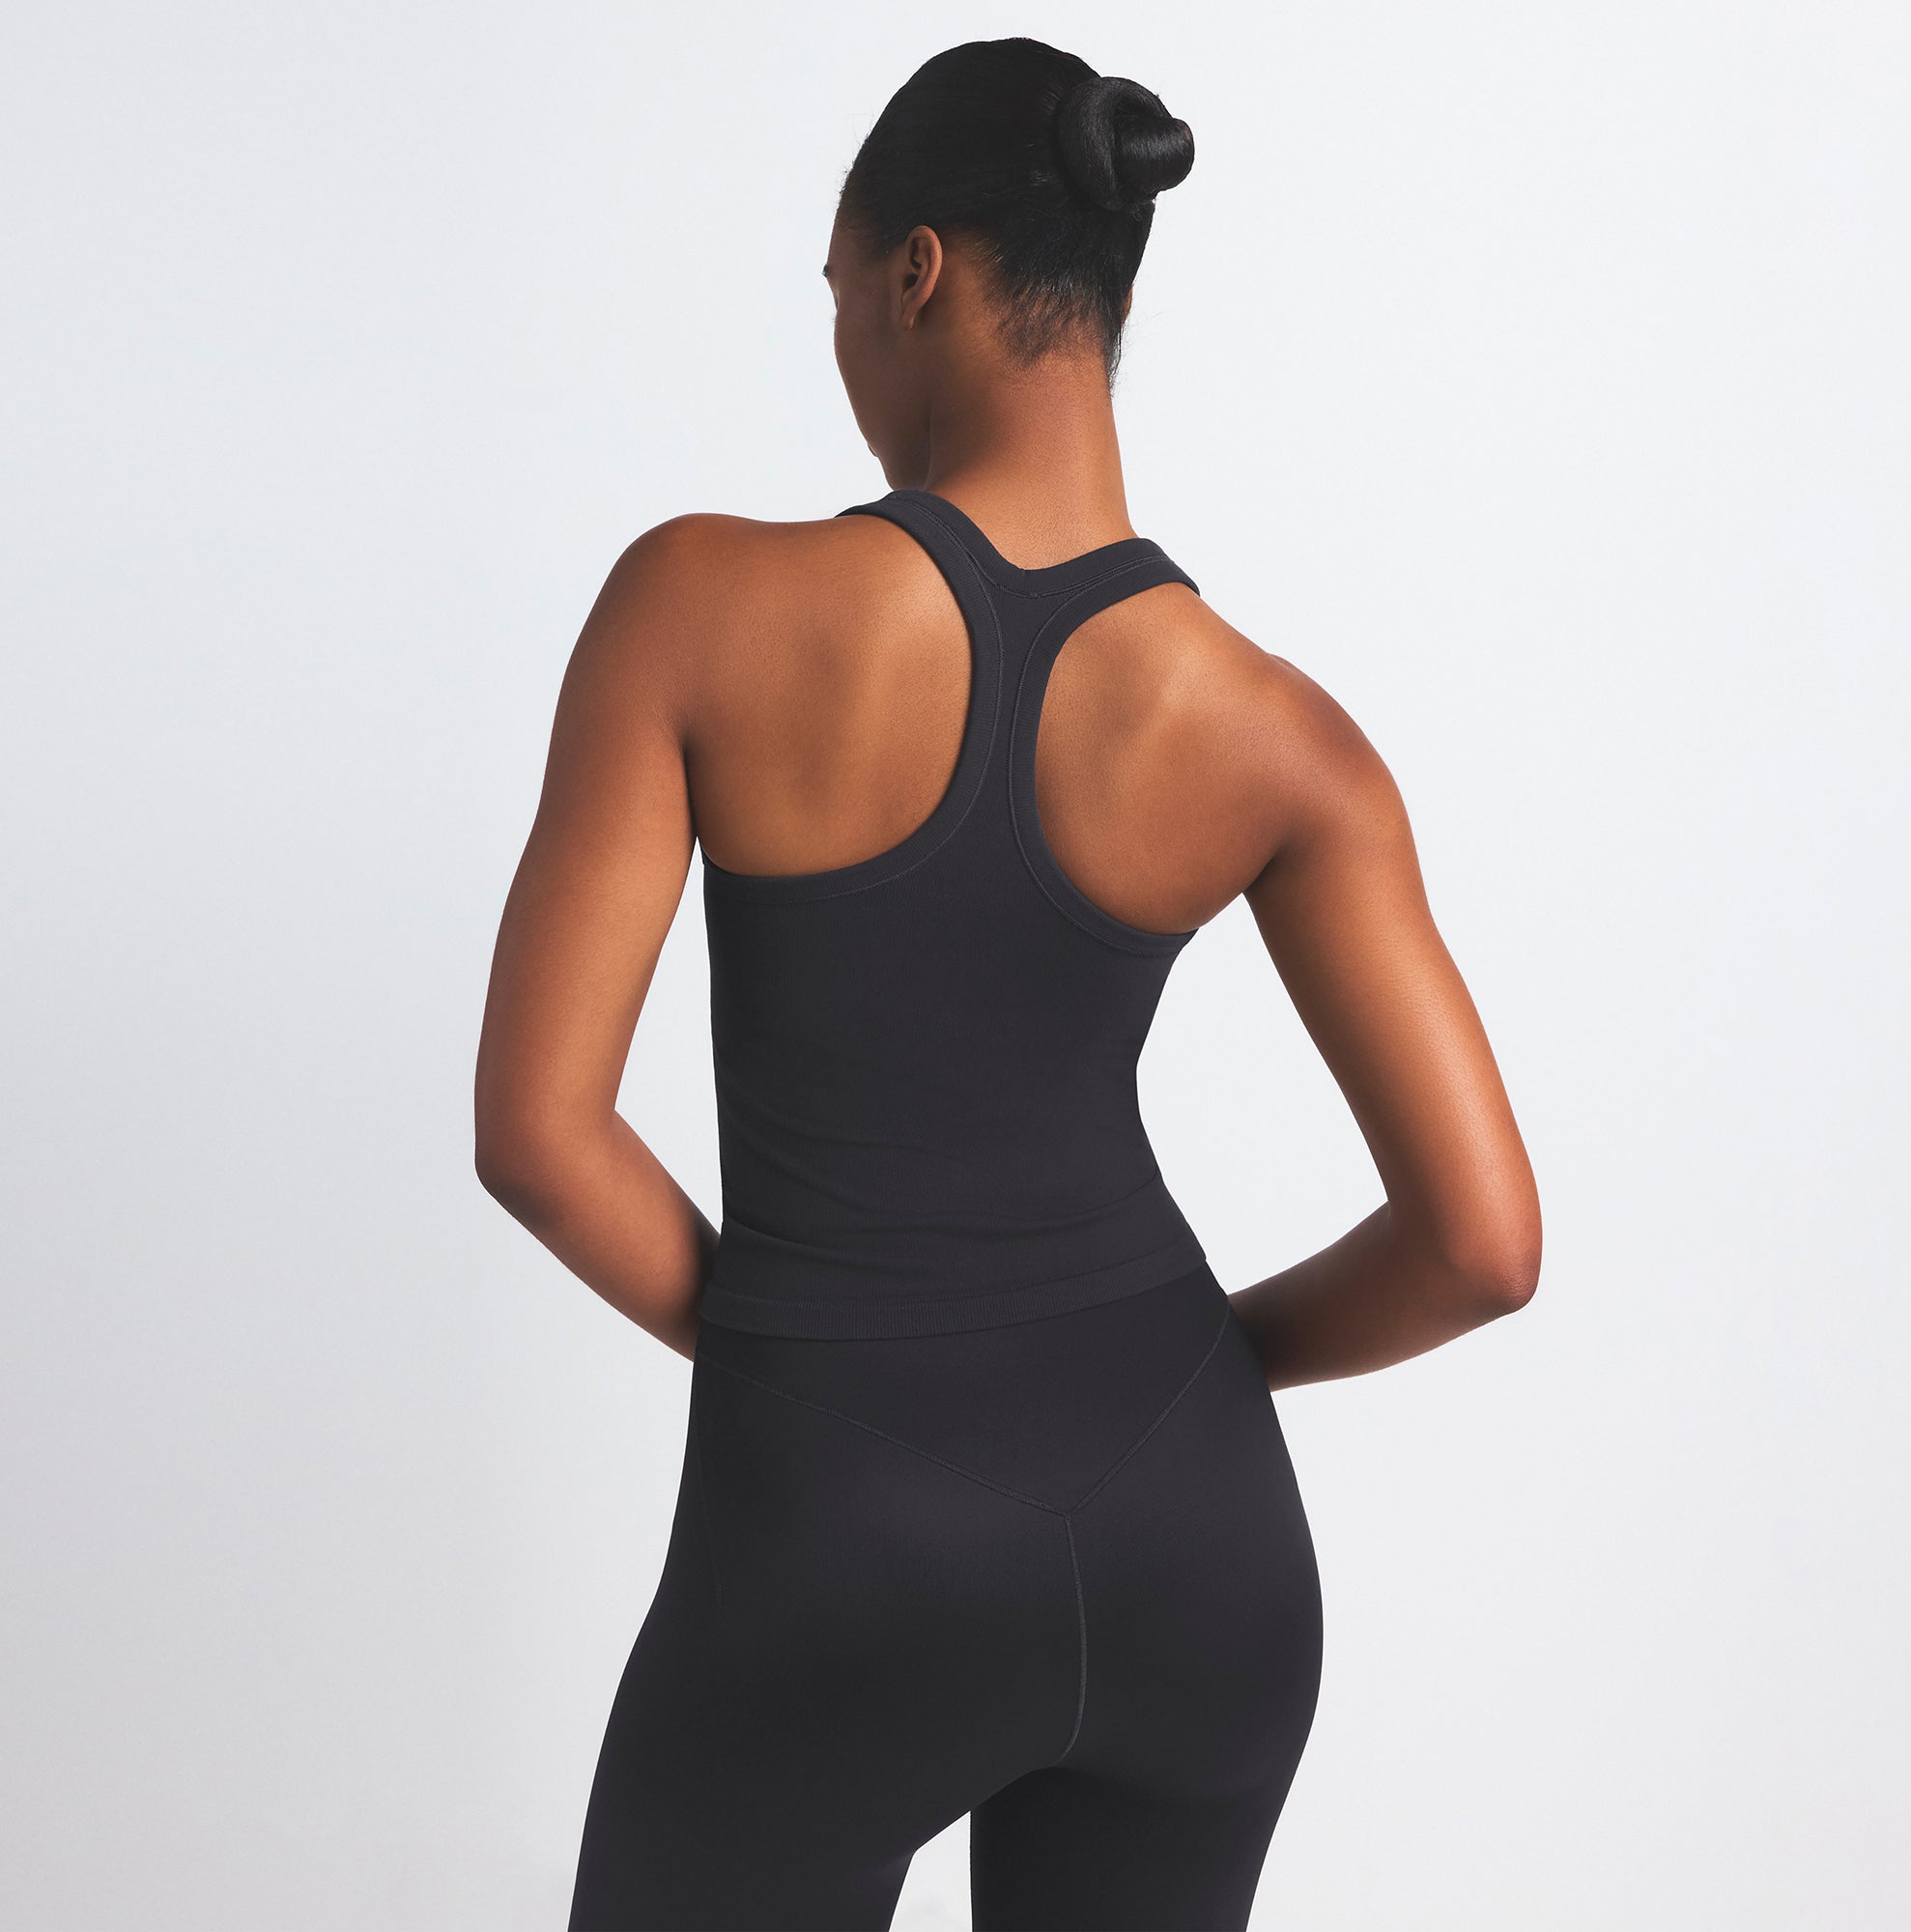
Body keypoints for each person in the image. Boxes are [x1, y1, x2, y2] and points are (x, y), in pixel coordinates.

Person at [474, 35, 1540, 1932]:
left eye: (835, 288)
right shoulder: (1285, 738)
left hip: (838, 1545)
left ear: (917, 272)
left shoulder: (695, 607)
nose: (837, 343)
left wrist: (815, 1364)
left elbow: (540, 1135)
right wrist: (1208, 1370)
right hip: (1198, 1540)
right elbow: (1484, 1245)